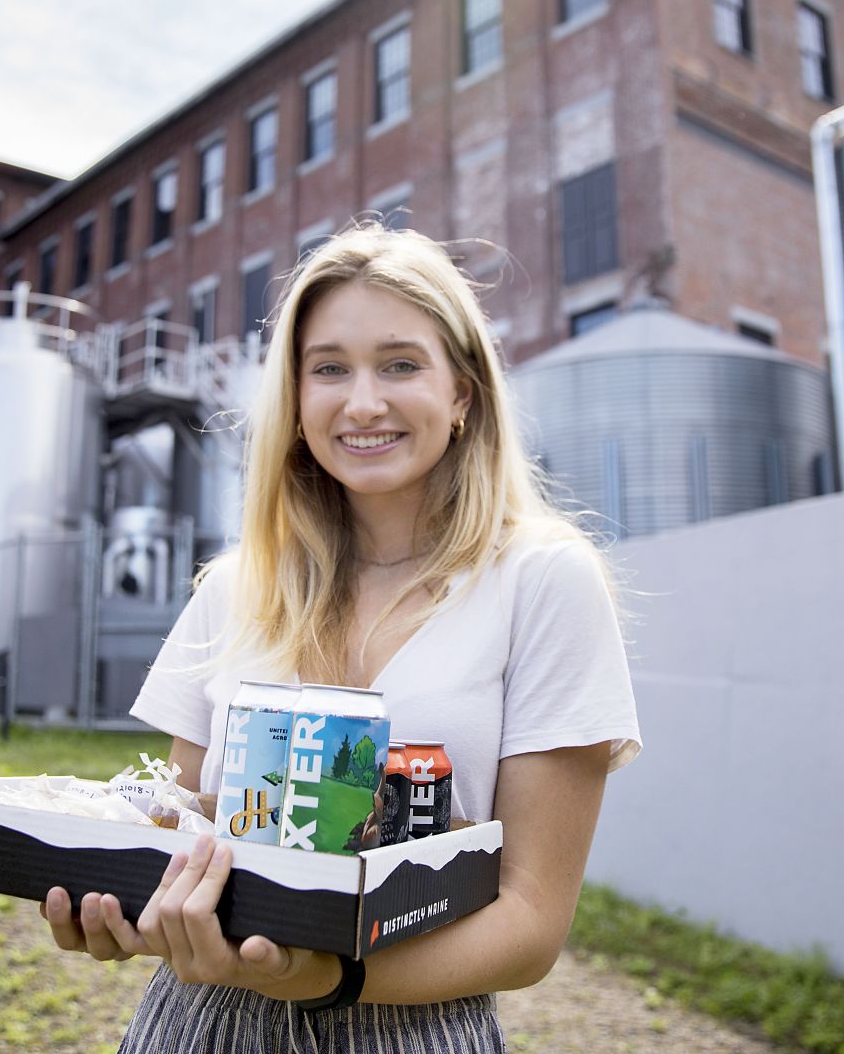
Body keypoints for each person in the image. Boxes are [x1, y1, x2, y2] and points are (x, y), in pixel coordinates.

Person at [43, 222, 641, 1052]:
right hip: (199, 1023)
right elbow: (177, 833)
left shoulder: (541, 581)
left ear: (462, 392)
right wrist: (122, 906)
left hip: (414, 1027)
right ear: (293, 399)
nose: (362, 402)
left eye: (400, 363)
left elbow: (531, 921)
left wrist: (326, 977)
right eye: (328, 368)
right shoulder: (233, 588)